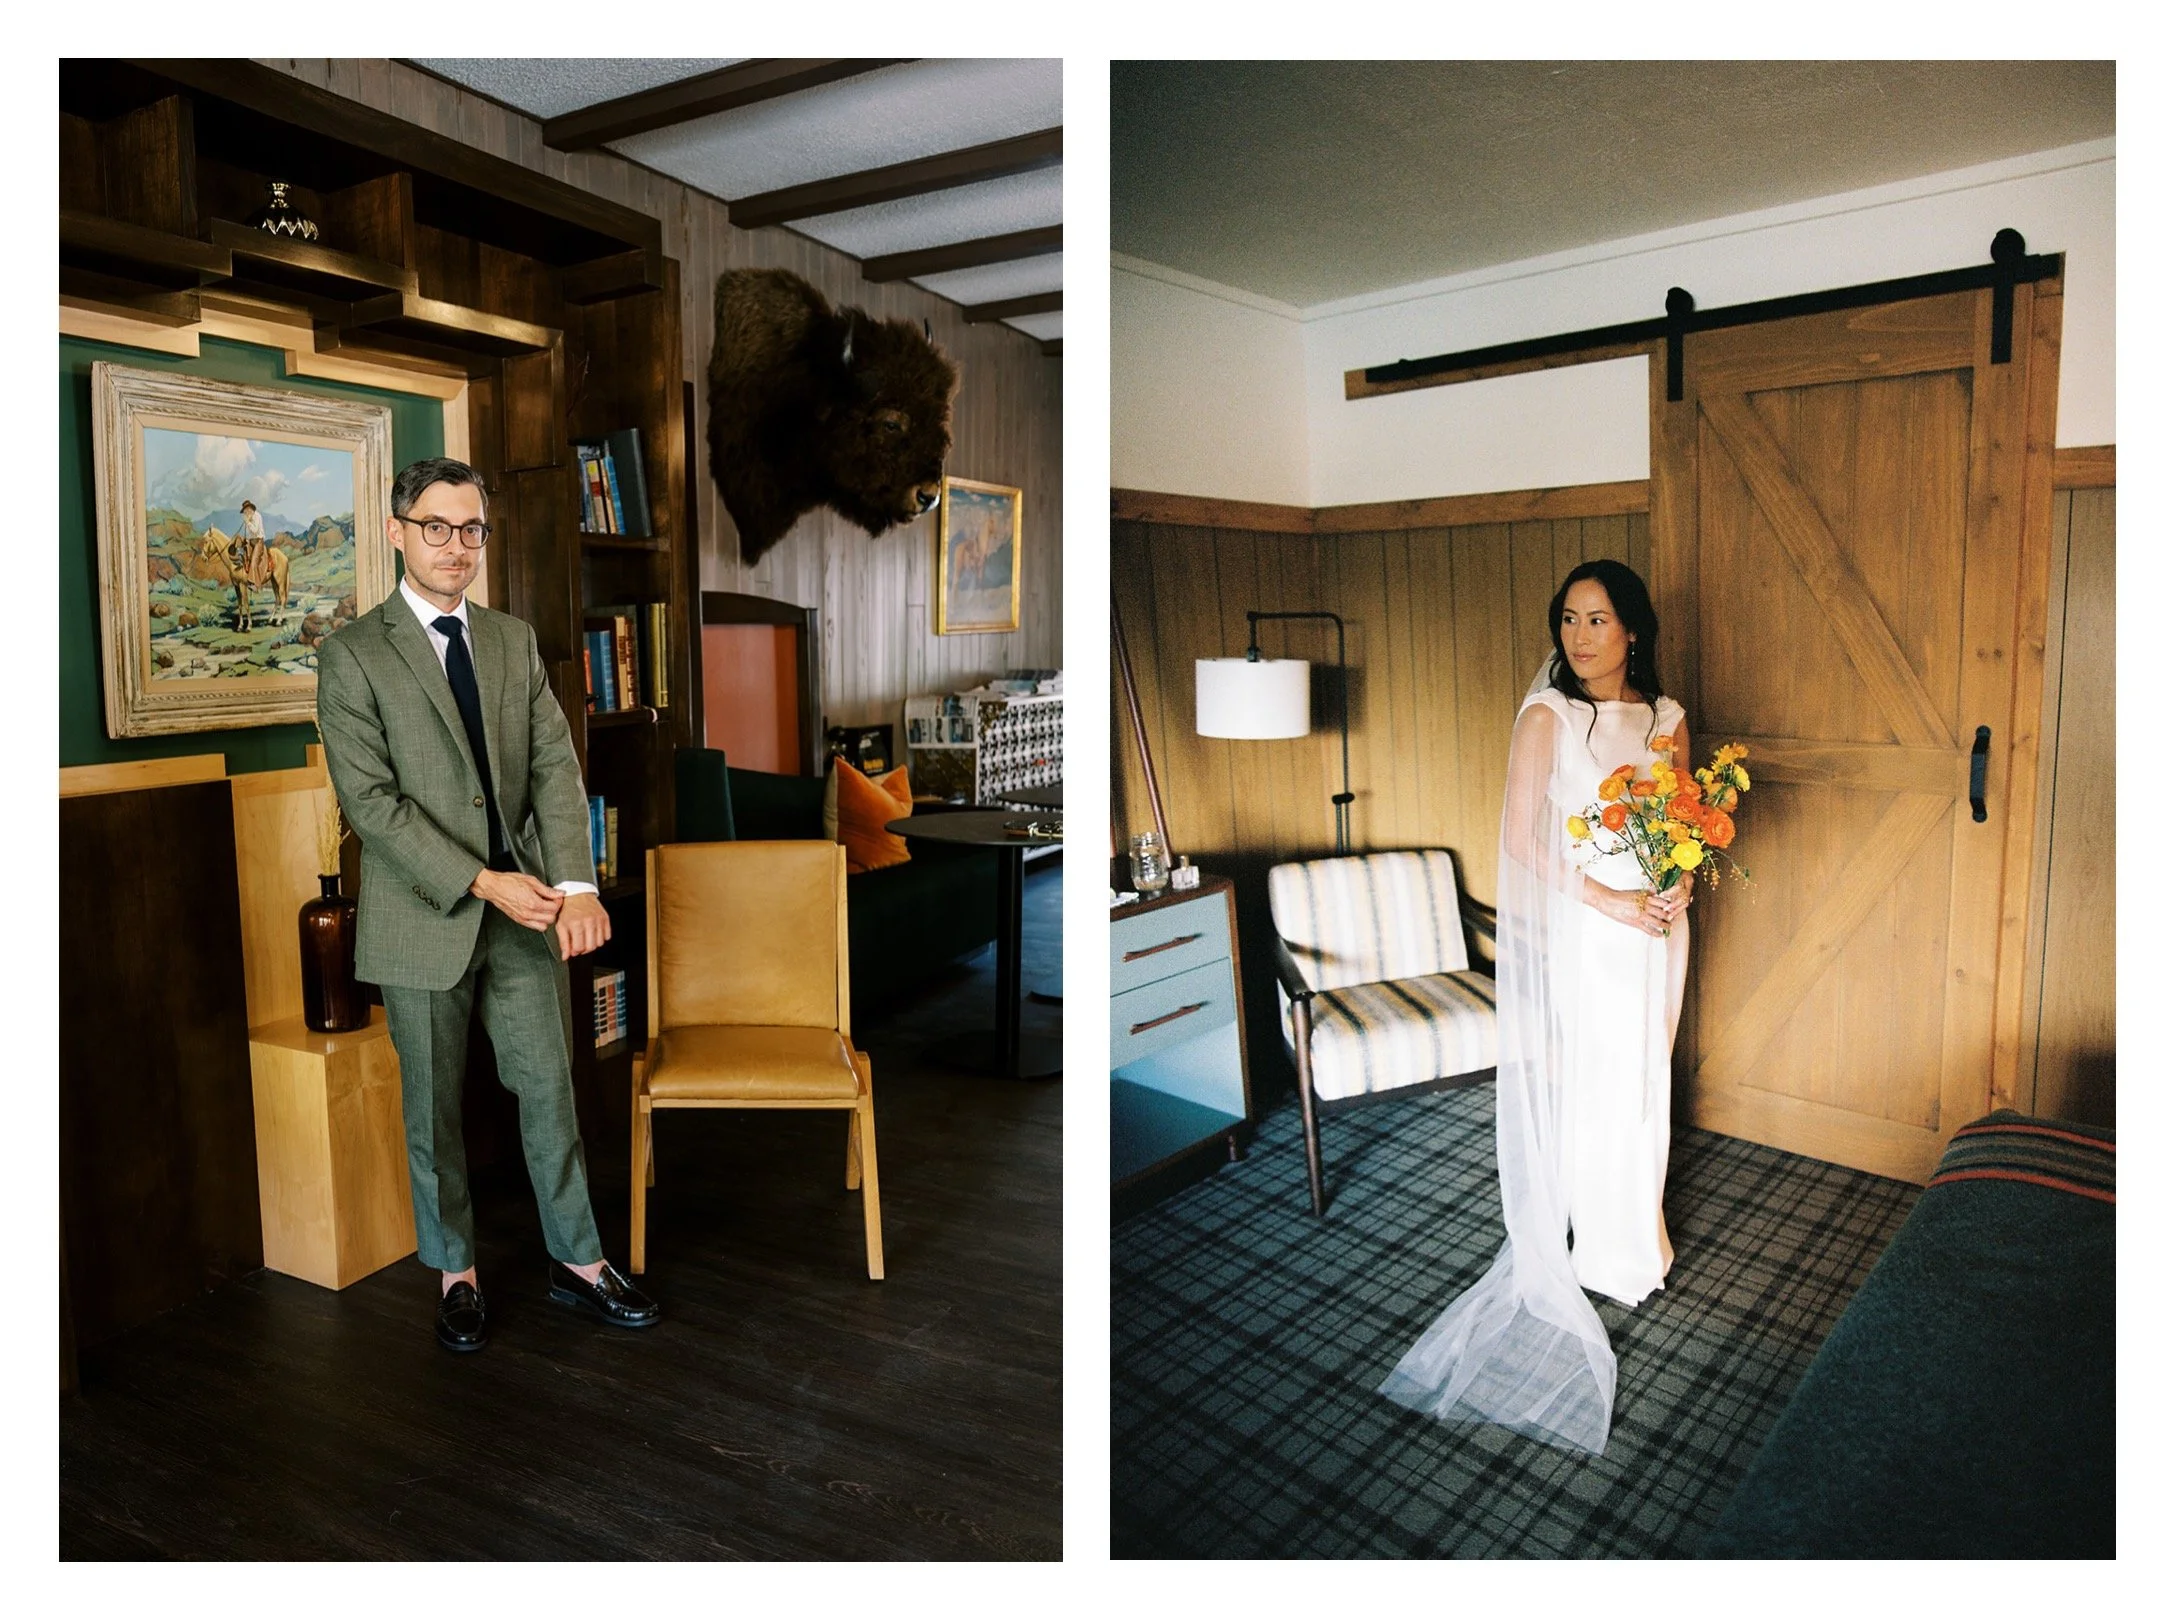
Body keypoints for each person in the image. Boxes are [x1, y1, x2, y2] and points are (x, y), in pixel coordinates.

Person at [316, 456, 658, 1353]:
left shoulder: (511, 640)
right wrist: (483, 880)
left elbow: (554, 765)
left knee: (550, 1092)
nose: (457, 546)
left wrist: (576, 886)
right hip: (422, 915)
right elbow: (372, 806)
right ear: (397, 532)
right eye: (437, 526)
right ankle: (455, 1273)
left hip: (529, 912)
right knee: (431, 1112)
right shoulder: (351, 654)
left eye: (472, 529)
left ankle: (579, 1263)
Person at [1379, 559, 1688, 1454]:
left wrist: (1677, 891)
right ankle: (1595, 1249)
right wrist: (1613, 902)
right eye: (1568, 620)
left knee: (1644, 1073)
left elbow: (1683, 818)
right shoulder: (1548, 715)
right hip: (1590, 927)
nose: (1581, 637)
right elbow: (1518, 842)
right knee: (1595, 1077)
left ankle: (1638, 1237)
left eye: (1598, 620)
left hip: (1656, 923)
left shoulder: (1665, 717)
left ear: (1633, 628)